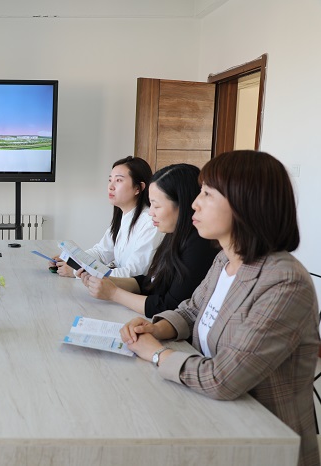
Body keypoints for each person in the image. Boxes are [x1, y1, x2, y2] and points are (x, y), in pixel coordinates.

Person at [120, 151, 320, 466]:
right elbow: (191, 310)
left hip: (262, 442)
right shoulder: (225, 259)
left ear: (245, 204)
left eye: (207, 195)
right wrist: (155, 328)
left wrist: (157, 353)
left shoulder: (284, 282)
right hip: (213, 418)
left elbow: (223, 378)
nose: (195, 204)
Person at [79, 164, 218, 317]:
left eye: (156, 206)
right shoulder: (174, 233)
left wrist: (113, 293)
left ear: (183, 205)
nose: (151, 212)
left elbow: (169, 306)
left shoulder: (199, 244)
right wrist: (108, 281)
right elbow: (152, 282)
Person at [55, 156, 163, 278]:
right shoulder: (124, 216)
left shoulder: (150, 222)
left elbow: (133, 273)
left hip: (134, 288)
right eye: (110, 180)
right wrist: (71, 260)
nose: (111, 186)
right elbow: (101, 253)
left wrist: (77, 271)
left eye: (119, 180)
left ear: (139, 188)